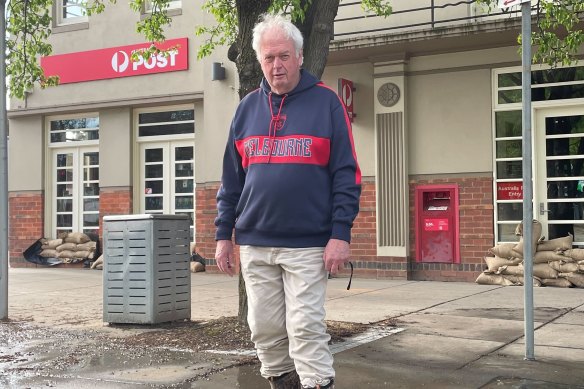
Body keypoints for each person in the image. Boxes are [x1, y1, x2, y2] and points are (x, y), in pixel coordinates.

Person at [214, 13, 361, 389]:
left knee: (305, 328)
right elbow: (232, 180)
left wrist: (339, 234)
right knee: (263, 329)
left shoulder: (327, 103)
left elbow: (347, 174)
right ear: (260, 61)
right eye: (268, 58)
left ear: (298, 56)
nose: (276, 66)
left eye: (283, 56)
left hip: (308, 243)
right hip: (255, 242)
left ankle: (316, 383)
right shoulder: (246, 108)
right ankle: (282, 383)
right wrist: (222, 236)